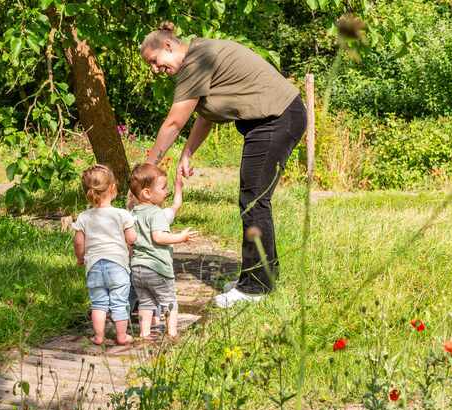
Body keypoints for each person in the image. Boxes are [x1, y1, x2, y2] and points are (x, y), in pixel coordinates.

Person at [138, 21, 307, 308]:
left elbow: (174, 122)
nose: (155, 70)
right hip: (273, 120)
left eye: (154, 61)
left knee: (253, 200)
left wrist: (148, 167)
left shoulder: (197, 59)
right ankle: (261, 277)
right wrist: (187, 153)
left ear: (167, 45)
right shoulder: (200, 57)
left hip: (276, 118)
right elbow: (207, 114)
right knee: (254, 199)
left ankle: (256, 287)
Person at [129, 163, 196, 338]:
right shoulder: (156, 213)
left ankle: (144, 334)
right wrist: (181, 237)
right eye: (163, 187)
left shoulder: (133, 214)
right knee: (169, 302)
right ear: (147, 193)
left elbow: (175, 205)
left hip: (137, 268)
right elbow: (158, 237)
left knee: (145, 303)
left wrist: (178, 186)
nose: (166, 191)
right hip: (157, 268)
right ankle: (172, 333)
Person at [72, 165, 136, 345]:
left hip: (94, 266)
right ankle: (122, 336)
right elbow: (131, 238)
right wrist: (130, 243)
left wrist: (80, 258)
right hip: (118, 266)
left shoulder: (84, 217)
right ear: (113, 188)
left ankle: (99, 337)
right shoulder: (121, 214)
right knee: (119, 302)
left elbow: (78, 242)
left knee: (98, 303)